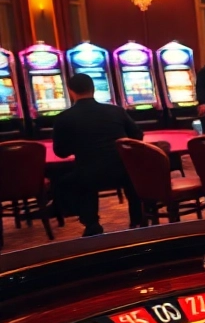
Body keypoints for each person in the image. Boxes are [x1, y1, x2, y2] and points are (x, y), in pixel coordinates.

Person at [51, 73, 143, 236]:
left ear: (70, 91)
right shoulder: (116, 111)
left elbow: (61, 152)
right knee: (130, 172)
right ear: (93, 89)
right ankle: (138, 219)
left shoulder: (63, 118)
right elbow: (137, 136)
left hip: (88, 174)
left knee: (64, 180)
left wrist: (79, 146)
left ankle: (91, 223)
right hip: (122, 171)